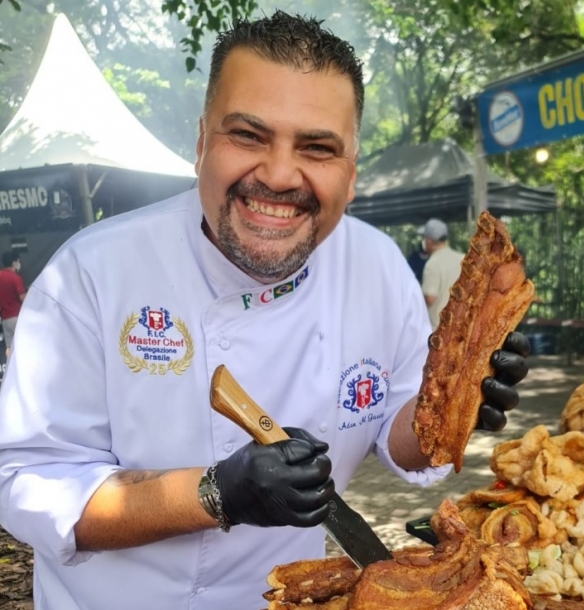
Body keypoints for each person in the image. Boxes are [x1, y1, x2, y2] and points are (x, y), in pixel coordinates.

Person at [0, 12, 530, 610]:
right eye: (248, 136)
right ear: (201, 144)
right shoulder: (91, 272)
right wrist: (216, 493)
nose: (278, 176)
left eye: (317, 148)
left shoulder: (377, 267)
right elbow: (30, 480)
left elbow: (395, 428)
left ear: (351, 174)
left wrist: (458, 402)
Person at [420, 218, 464, 331]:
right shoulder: (463, 259)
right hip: (461, 327)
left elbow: (430, 298)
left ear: (429, 241)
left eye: (424, 238)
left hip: (440, 330)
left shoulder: (432, 264)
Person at [0, 250, 26, 357]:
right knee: (23, 343)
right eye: (17, 261)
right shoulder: (15, 278)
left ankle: (9, 365)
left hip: (5, 319)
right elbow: (22, 298)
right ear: (14, 262)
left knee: (9, 347)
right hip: (17, 317)